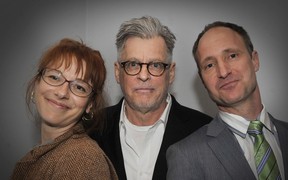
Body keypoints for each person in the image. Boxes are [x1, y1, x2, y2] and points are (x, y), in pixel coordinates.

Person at [90, 15, 212, 180]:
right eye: (133, 64)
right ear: (118, 72)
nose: (144, 76)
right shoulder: (90, 129)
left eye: (155, 65)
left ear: (171, 73)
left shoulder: (205, 131)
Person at [166, 21, 288, 180]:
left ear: (254, 60)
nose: (223, 72)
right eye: (209, 65)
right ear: (203, 81)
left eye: (232, 56)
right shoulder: (185, 155)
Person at [11, 38, 118, 180]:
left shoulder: (82, 161)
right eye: (54, 77)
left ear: (90, 104)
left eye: (79, 87)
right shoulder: (47, 152)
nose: (62, 93)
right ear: (37, 83)